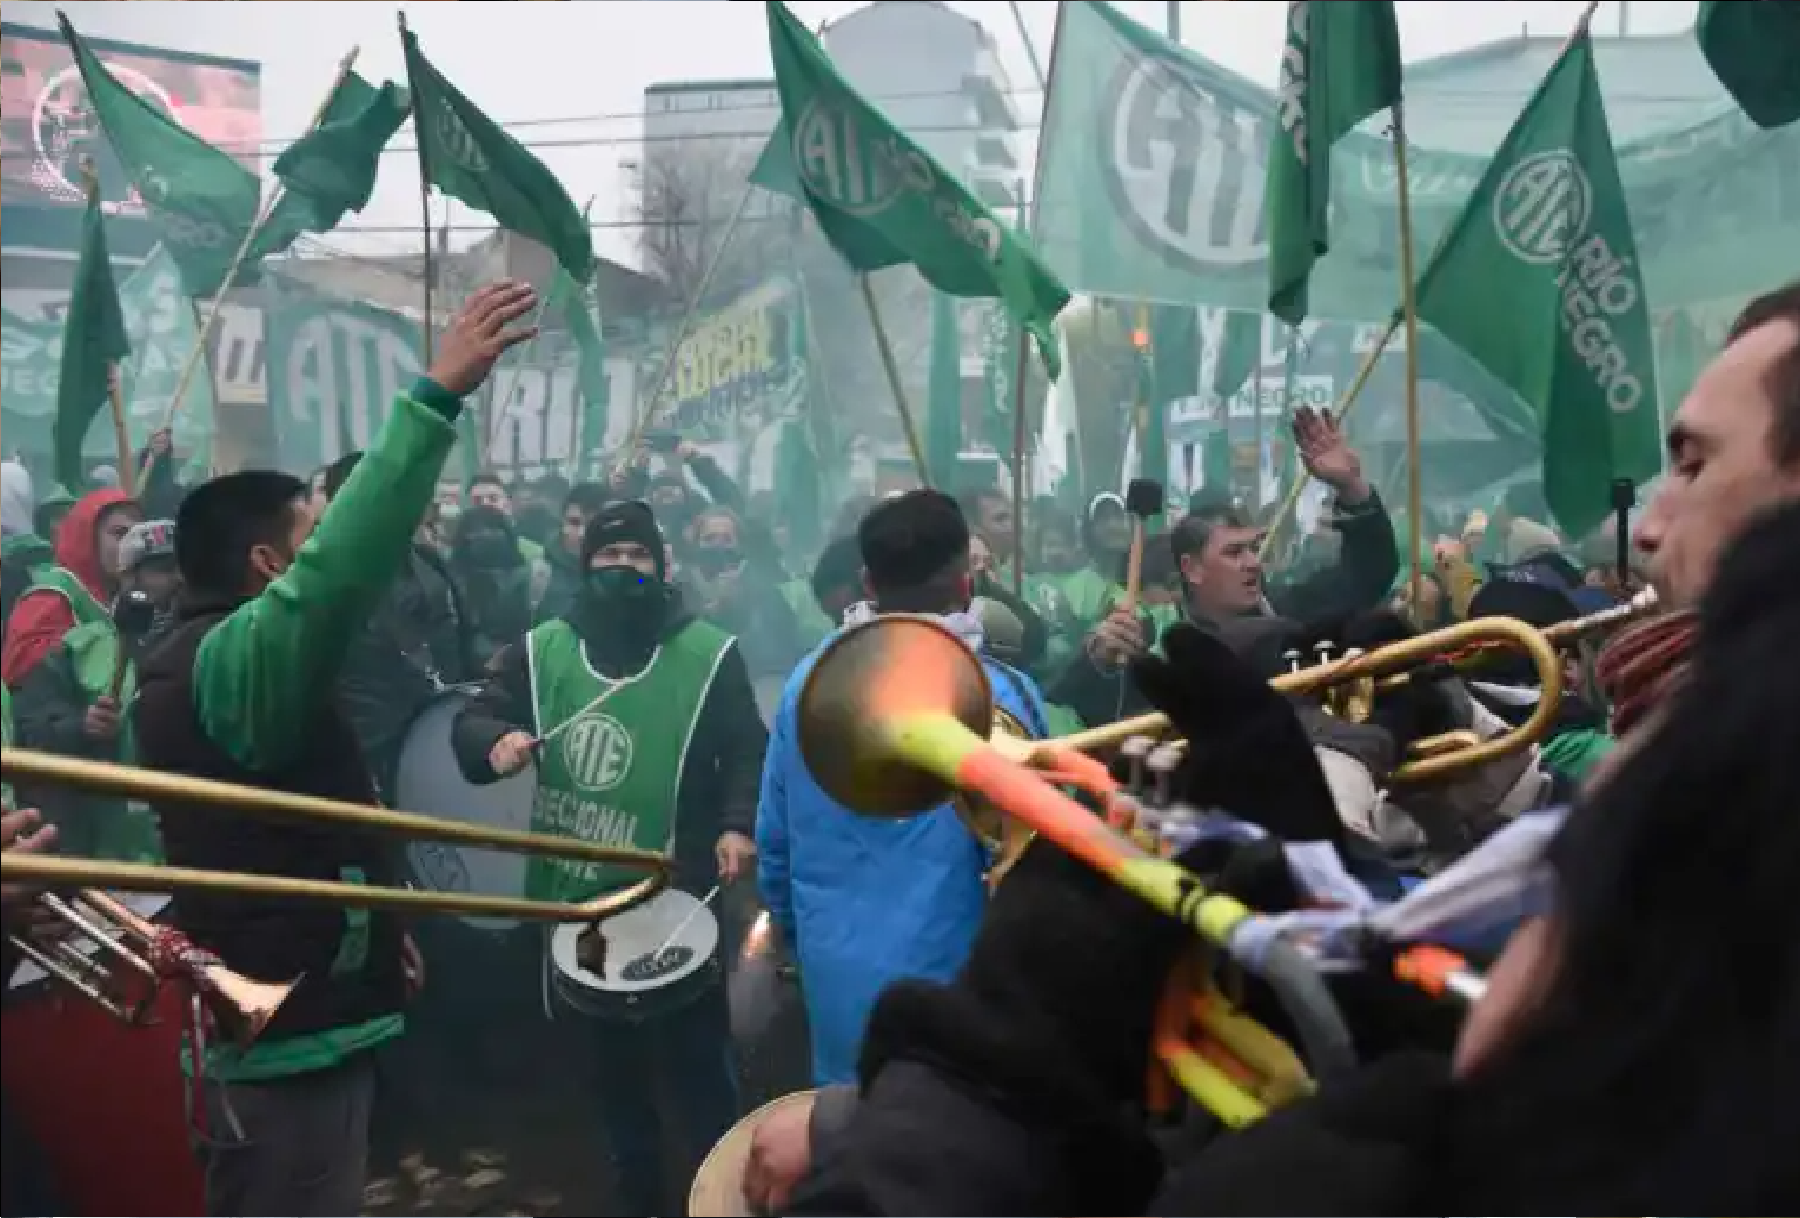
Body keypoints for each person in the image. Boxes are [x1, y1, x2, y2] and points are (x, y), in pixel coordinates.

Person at [131, 280, 539, 1217]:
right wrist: (434, 396)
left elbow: (316, 825)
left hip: (316, 997)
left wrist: (379, 932)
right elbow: (338, 578)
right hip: (277, 1032)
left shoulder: (230, 658)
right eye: (309, 538)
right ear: (270, 568)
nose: (331, 555)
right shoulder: (232, 657)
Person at [450, 497, 764, 1218]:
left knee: (699, 1069)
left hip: (681, 899)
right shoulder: (540, 651)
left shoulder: (710, 652)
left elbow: (747, 746)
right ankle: (637, 1199)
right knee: (610, 1082)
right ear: (584, 564)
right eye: (609, 556)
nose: (623, 569)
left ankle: (721, 1193)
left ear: (662, 566)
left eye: (637, 557)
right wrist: (491, 743)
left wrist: (736, 823)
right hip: (576, 907)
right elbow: (474, 718)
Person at [755, 489, 1052, 1087]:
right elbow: (1035, 864)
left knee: (847, 1147)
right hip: (962, 994)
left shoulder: (807, 688)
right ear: (967, 581)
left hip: (839, 987)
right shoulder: (1002, 696)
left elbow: (775, 847)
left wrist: (797, 938)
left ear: (867, 582)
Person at [13, 519, 180, 862]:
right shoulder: (77, 649)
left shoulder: (208, 647)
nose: (178, 580)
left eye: (183, 568)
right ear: (128, 577)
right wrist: (81, 726)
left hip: (182, 856)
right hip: (103, 856)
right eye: (163, 569)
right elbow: (30, 728)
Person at [323, 449, 472, 801]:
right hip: (361, 759)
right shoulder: (321, 580)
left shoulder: (430, 564)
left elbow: (458, 643)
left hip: (433, 744)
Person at [2, 487, 142, 687]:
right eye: (119, 534)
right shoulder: (49, 599)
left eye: (136, 535)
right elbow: (27, 684)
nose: (131, 545)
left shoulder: (132, 594)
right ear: (87, 537)